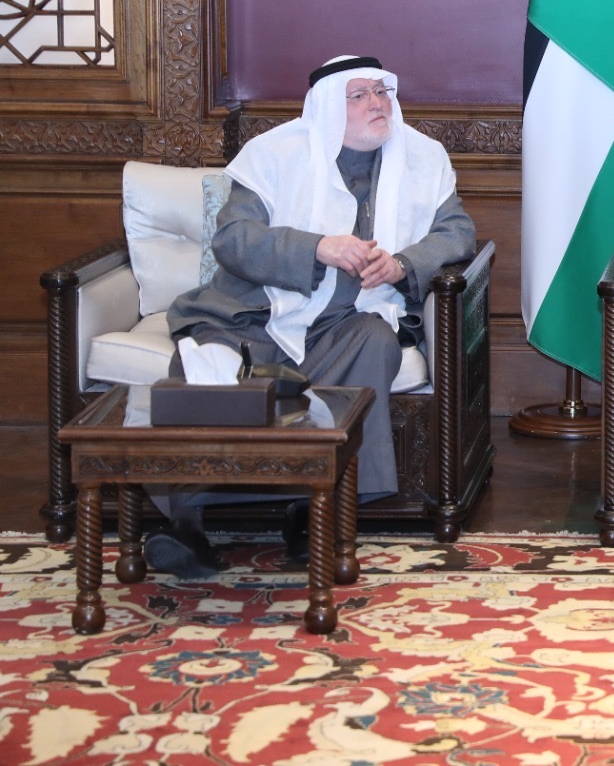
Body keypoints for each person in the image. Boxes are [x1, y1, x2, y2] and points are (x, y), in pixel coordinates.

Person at [147, 55, 476, 578]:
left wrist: (403, 264)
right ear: (327, 109)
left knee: (377, 342)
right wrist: (317, 247)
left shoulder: (423, 158)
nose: (377, 104)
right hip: (252, 315)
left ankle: (315, 512)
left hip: (345, 321)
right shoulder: (274, 155)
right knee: (203, 367)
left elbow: (456, 232)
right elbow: (233, 239)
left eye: (382, 92)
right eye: (359, 95)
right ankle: (186, 526)